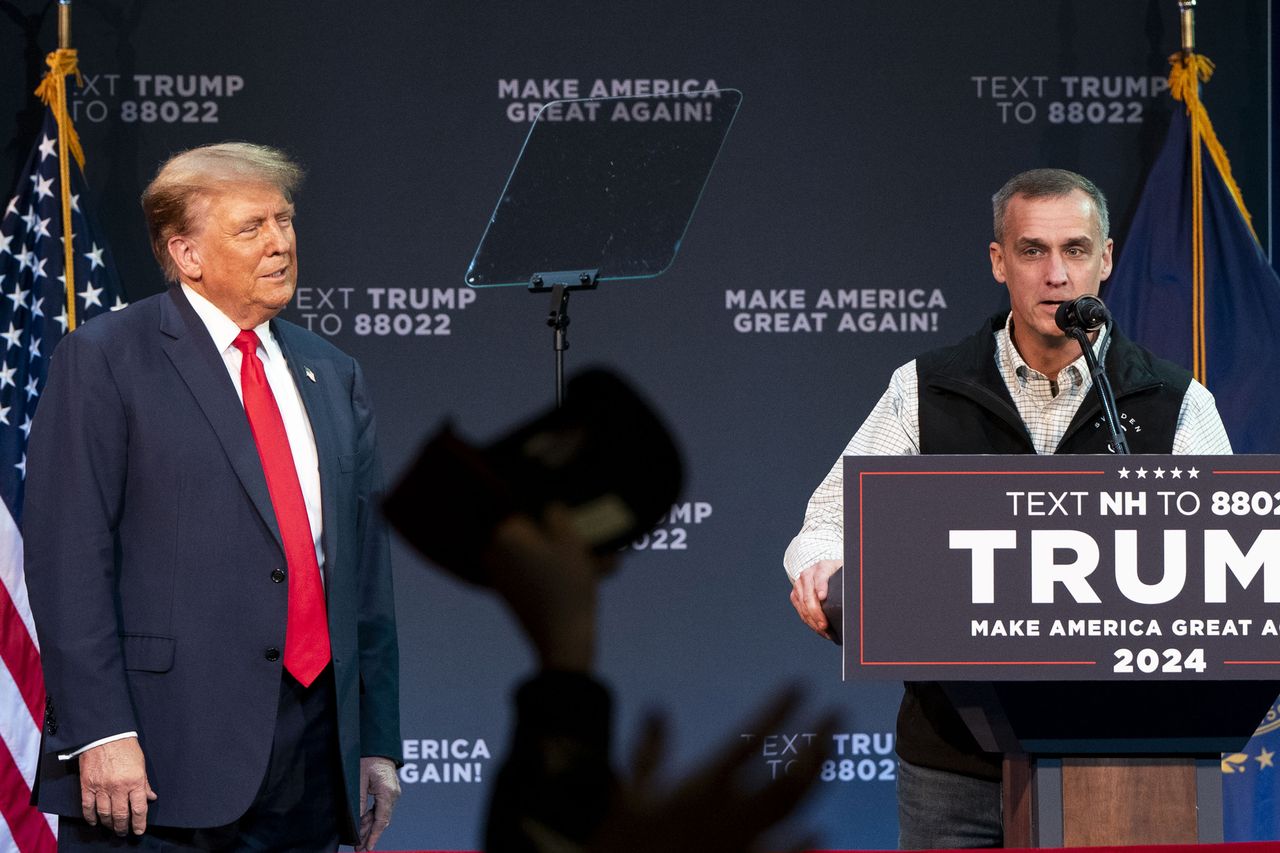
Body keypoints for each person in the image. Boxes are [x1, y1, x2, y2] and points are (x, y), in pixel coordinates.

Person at [783, 168, 1232, 849]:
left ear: (1106, 260)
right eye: (1032, 250)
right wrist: (821, 567)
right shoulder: (927, 389)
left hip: (1119, 761)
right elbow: (826, 523)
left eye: (1076, 249)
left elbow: (1226, 556)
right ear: (999, 262)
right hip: (953, 762)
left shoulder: (1174, 402)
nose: (1057, 275)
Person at [25, 143, 401, 851]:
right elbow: (67, 559)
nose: (280, 243)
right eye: (251, 227)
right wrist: (101, 732)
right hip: (160, 758)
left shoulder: (332, 371)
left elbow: (364, 573)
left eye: (284, 219)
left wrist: (375, 739)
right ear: (187, 253)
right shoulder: (107, 358)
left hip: (314, 759)